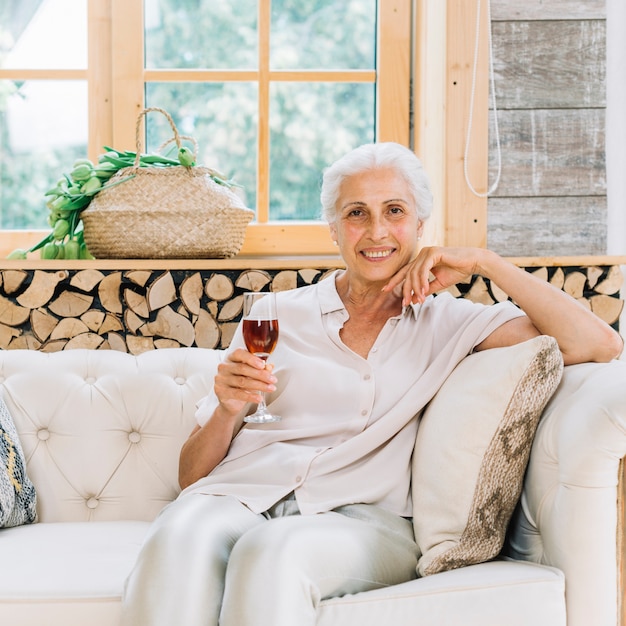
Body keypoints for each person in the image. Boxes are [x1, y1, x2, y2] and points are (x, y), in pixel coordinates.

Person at [121, 142, 623, 626]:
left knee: (272, 551)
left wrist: (484, 263)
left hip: (362, 521)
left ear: (420, 225)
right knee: (178, 534)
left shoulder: (449, 323)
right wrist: (228, 409)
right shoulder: (274, 315)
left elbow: (598, 345)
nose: (376, 230)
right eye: (356, 213)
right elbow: (192, 478)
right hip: (238, 498)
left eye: (395, 211)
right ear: (334, 230)